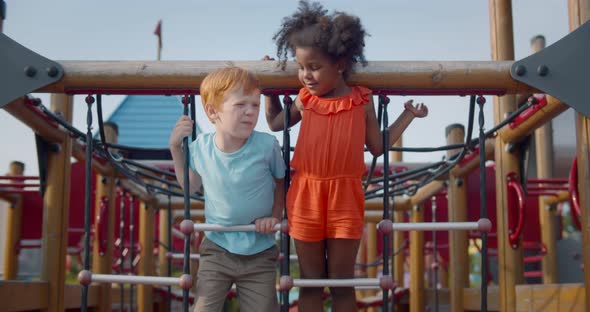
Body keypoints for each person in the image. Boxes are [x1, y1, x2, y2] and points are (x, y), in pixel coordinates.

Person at [264, 1, 428, 311]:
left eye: (314, 67)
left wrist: (407, 116)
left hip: (345, 196)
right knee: (311, 283)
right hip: (306, 193)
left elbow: (377, 147)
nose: (305, 75)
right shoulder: (305, 99)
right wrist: (269, 92)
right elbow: (275, 124)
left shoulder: (360, 101)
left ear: (340, 64)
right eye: (301, 67)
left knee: (341, 283)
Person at [169, 66, 286, 312]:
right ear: (213, 112)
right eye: (240, 105)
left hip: (260, 249)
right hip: (217, 247)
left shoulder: (266, 146)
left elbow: (280, 181)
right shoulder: (201, 148)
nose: (250, 112)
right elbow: (191, 188)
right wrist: (176, 150)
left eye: (254, 105)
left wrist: (275, 217)